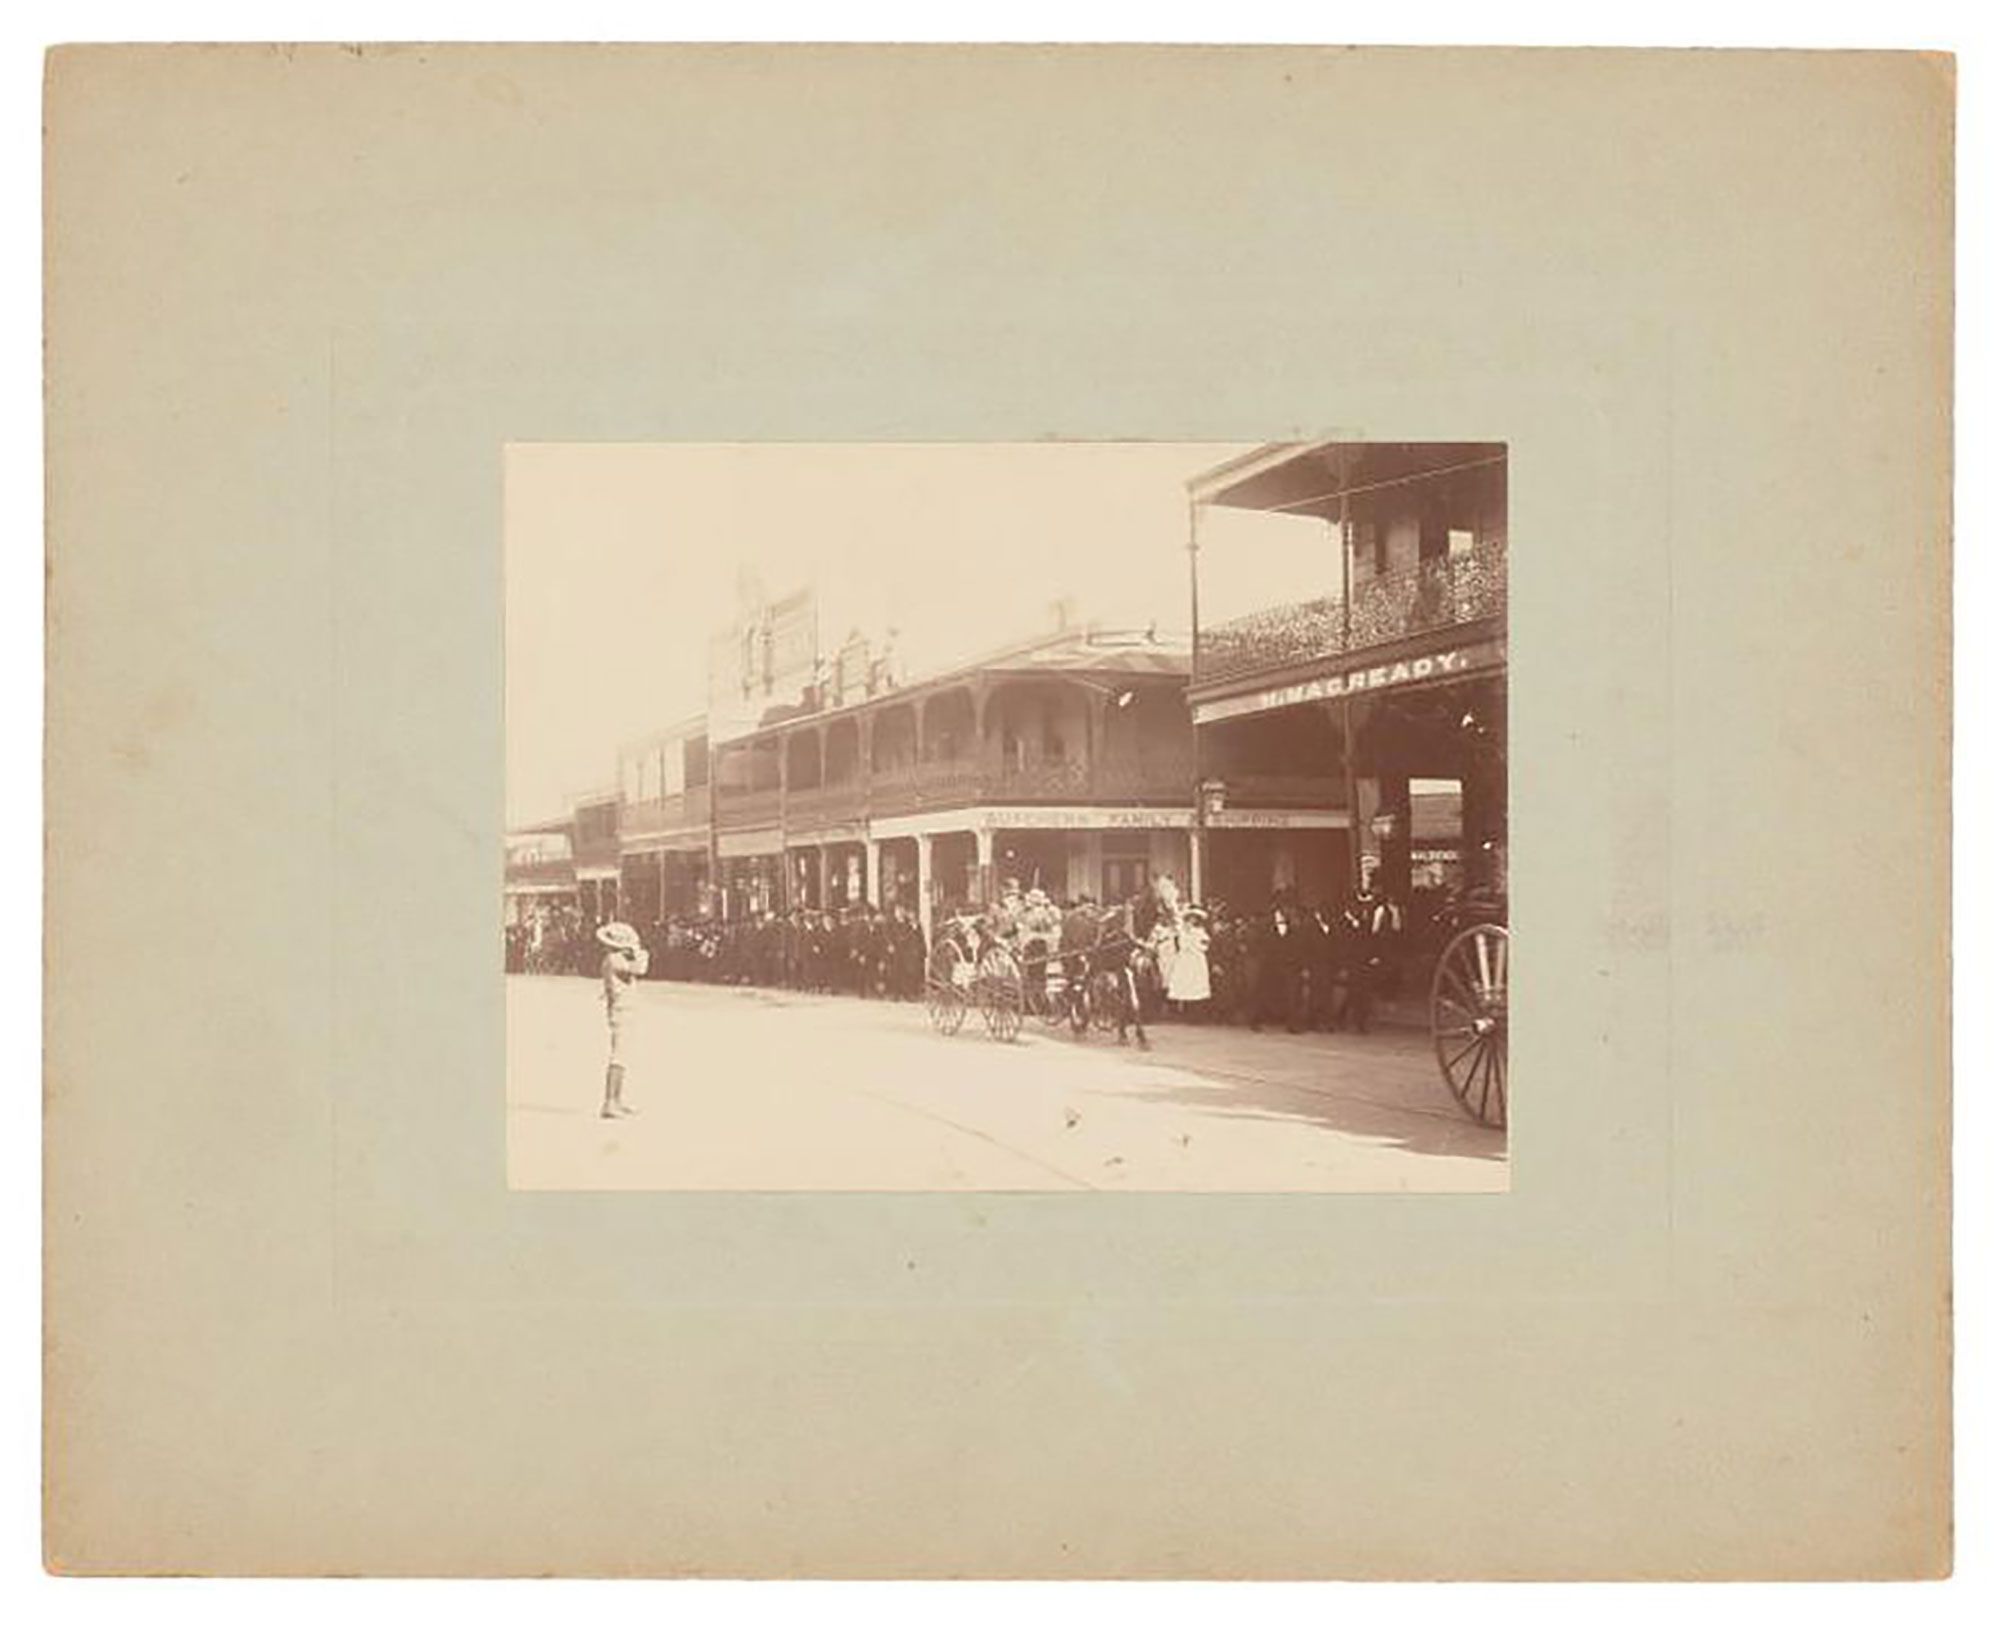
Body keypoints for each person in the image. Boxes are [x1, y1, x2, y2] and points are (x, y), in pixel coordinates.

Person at [596, 920, 649, 1118]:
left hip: (624, 1009)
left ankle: (616, 1100)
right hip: (621, 1010)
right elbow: (641, 968)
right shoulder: (614, 960)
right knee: (618, 1057)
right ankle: (610, 1101)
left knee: (623, 1056)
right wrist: (639, 951)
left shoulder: (615, 959)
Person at [1167, 905, 1213, 1017]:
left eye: (1195, 918)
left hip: (1196, 958)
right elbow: (1180, 943)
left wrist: (1197, 946)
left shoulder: (1201, 932)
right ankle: (1185, 1010)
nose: (1192, 921)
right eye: (1190, 918)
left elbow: (1205, 944)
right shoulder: (1182, 932)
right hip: (1185, 959)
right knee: (1185, 982)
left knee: (1196, 982)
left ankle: (1197, 1011)